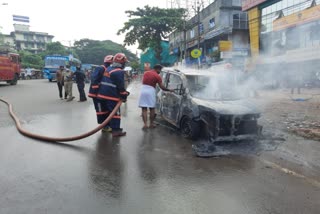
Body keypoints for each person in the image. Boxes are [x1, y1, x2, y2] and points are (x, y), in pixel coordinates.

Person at [96, 53, 129, 137]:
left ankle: (107, 127)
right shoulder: (119, 72)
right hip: (111, 96)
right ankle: (116, 131)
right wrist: (124, 95)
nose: (125, 64)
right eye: (124, 62)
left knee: (107, 112)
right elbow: (120, 86)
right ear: (121, 62)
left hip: (102, 95)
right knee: (115, 114)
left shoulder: (109, 68)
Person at [138, 64, 173, 129]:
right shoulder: (157, 76)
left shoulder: (146, 73)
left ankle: (145, 124)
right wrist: (169, 90)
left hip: (143, 90)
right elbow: (162, 87)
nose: (160, 72)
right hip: (151, 91)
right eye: (160, 70)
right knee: (152, 108)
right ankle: (151, 124)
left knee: (144, 109)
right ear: (157, 69)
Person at [88, 55, 114, 132]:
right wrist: (97, 90)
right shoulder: (101, 68)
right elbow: (94, 79)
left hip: (103, 94)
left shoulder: (109, 69)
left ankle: (107, 125)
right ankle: (104, 126)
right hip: (96, 94)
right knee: (100, 110)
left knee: (105, 109)